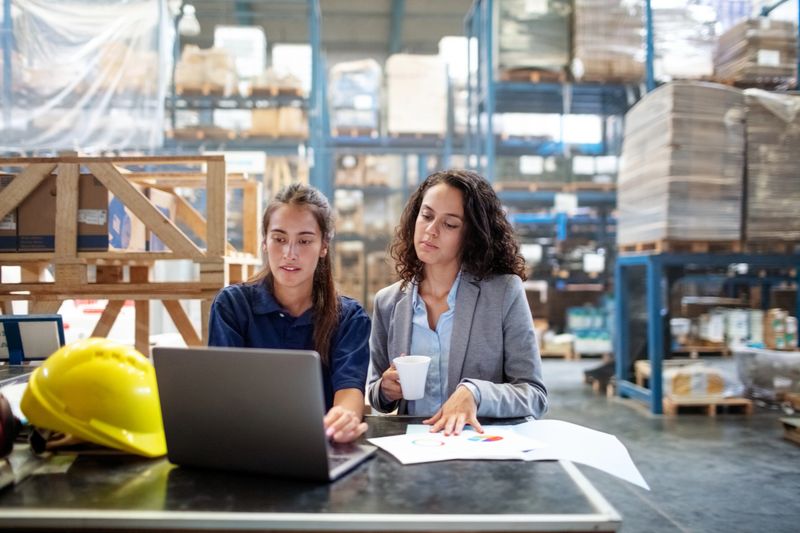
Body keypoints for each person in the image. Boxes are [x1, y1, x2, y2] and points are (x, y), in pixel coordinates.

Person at [367, 169, 548, 435]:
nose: (431, 230)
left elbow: (534, 394)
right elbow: (375, 393)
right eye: (426, 216)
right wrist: (385, 389)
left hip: (481, 451)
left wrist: (475, 393)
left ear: (471, 236)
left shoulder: (504, 292)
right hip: (416, 449)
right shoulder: (388, 302)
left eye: (449, 224)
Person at [209, 183, 370, 444]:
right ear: (264, 242)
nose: (289, 254)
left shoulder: (349, 317)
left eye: (304, 241)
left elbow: (349, 389)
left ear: (323, 247)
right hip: (246, 445)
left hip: (320, 445)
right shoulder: (232, 306)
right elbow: (222, 391)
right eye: (279, 238)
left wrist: (343, 418)